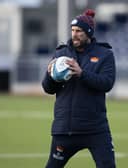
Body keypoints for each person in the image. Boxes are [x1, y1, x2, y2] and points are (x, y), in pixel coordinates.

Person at [42, 9, 116, 168]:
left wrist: (82, 74)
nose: (74, 34)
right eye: (73, 30)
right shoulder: (61, 53)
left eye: (79, 31)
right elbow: (48, 88)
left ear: (89, 33)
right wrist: (50, 75)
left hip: (95, 129)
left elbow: (107, 83)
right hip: (65, 130)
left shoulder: (104, 54)